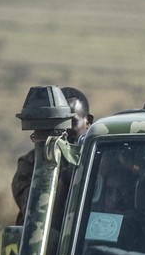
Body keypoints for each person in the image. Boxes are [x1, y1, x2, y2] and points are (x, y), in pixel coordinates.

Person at [11, 87, 94, 225]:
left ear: (88, 121)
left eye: (71, 122)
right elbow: (36, 213)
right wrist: (64, 180)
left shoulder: (97, 161)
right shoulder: (32, 163)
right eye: (59, 123)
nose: (64, 130)